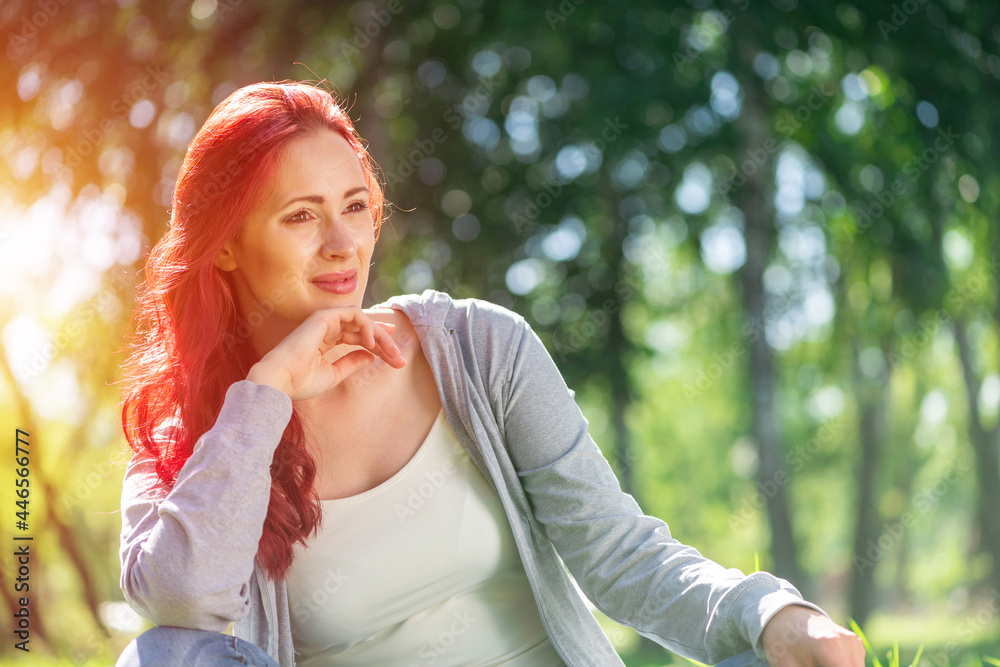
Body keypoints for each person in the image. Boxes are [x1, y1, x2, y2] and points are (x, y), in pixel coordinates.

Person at [115, 80, 864, 667]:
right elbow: (185, 613)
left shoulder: (477, 348)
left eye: (356, 206)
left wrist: (771, 612)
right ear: (224, 246)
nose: (344, 243)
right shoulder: (190, 441)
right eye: (301, 217)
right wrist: (267, 394)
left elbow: (619, 554)